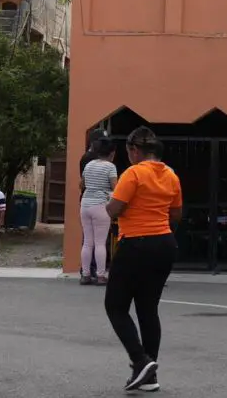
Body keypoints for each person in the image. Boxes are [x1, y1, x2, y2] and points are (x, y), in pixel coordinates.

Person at [105, 126, 181, 392]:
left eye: (128, 152)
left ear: (135, 150)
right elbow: (176, 214)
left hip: (136, 243)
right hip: (165, 244)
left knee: (115, 306)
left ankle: (140, 360)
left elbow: (114, 209)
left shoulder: (133, 173)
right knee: (148, 309)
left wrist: (111, 204)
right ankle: (149, 377)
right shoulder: (171, 175)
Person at [80, 137, 118, 285]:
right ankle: (101, 276)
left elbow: (82, 184)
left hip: (85, 204)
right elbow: (116, 188)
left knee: (87, 242)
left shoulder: (89, 165)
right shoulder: (110, 167)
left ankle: (85, 275)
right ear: (112, 153)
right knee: (100, 243)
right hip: (101, 205)